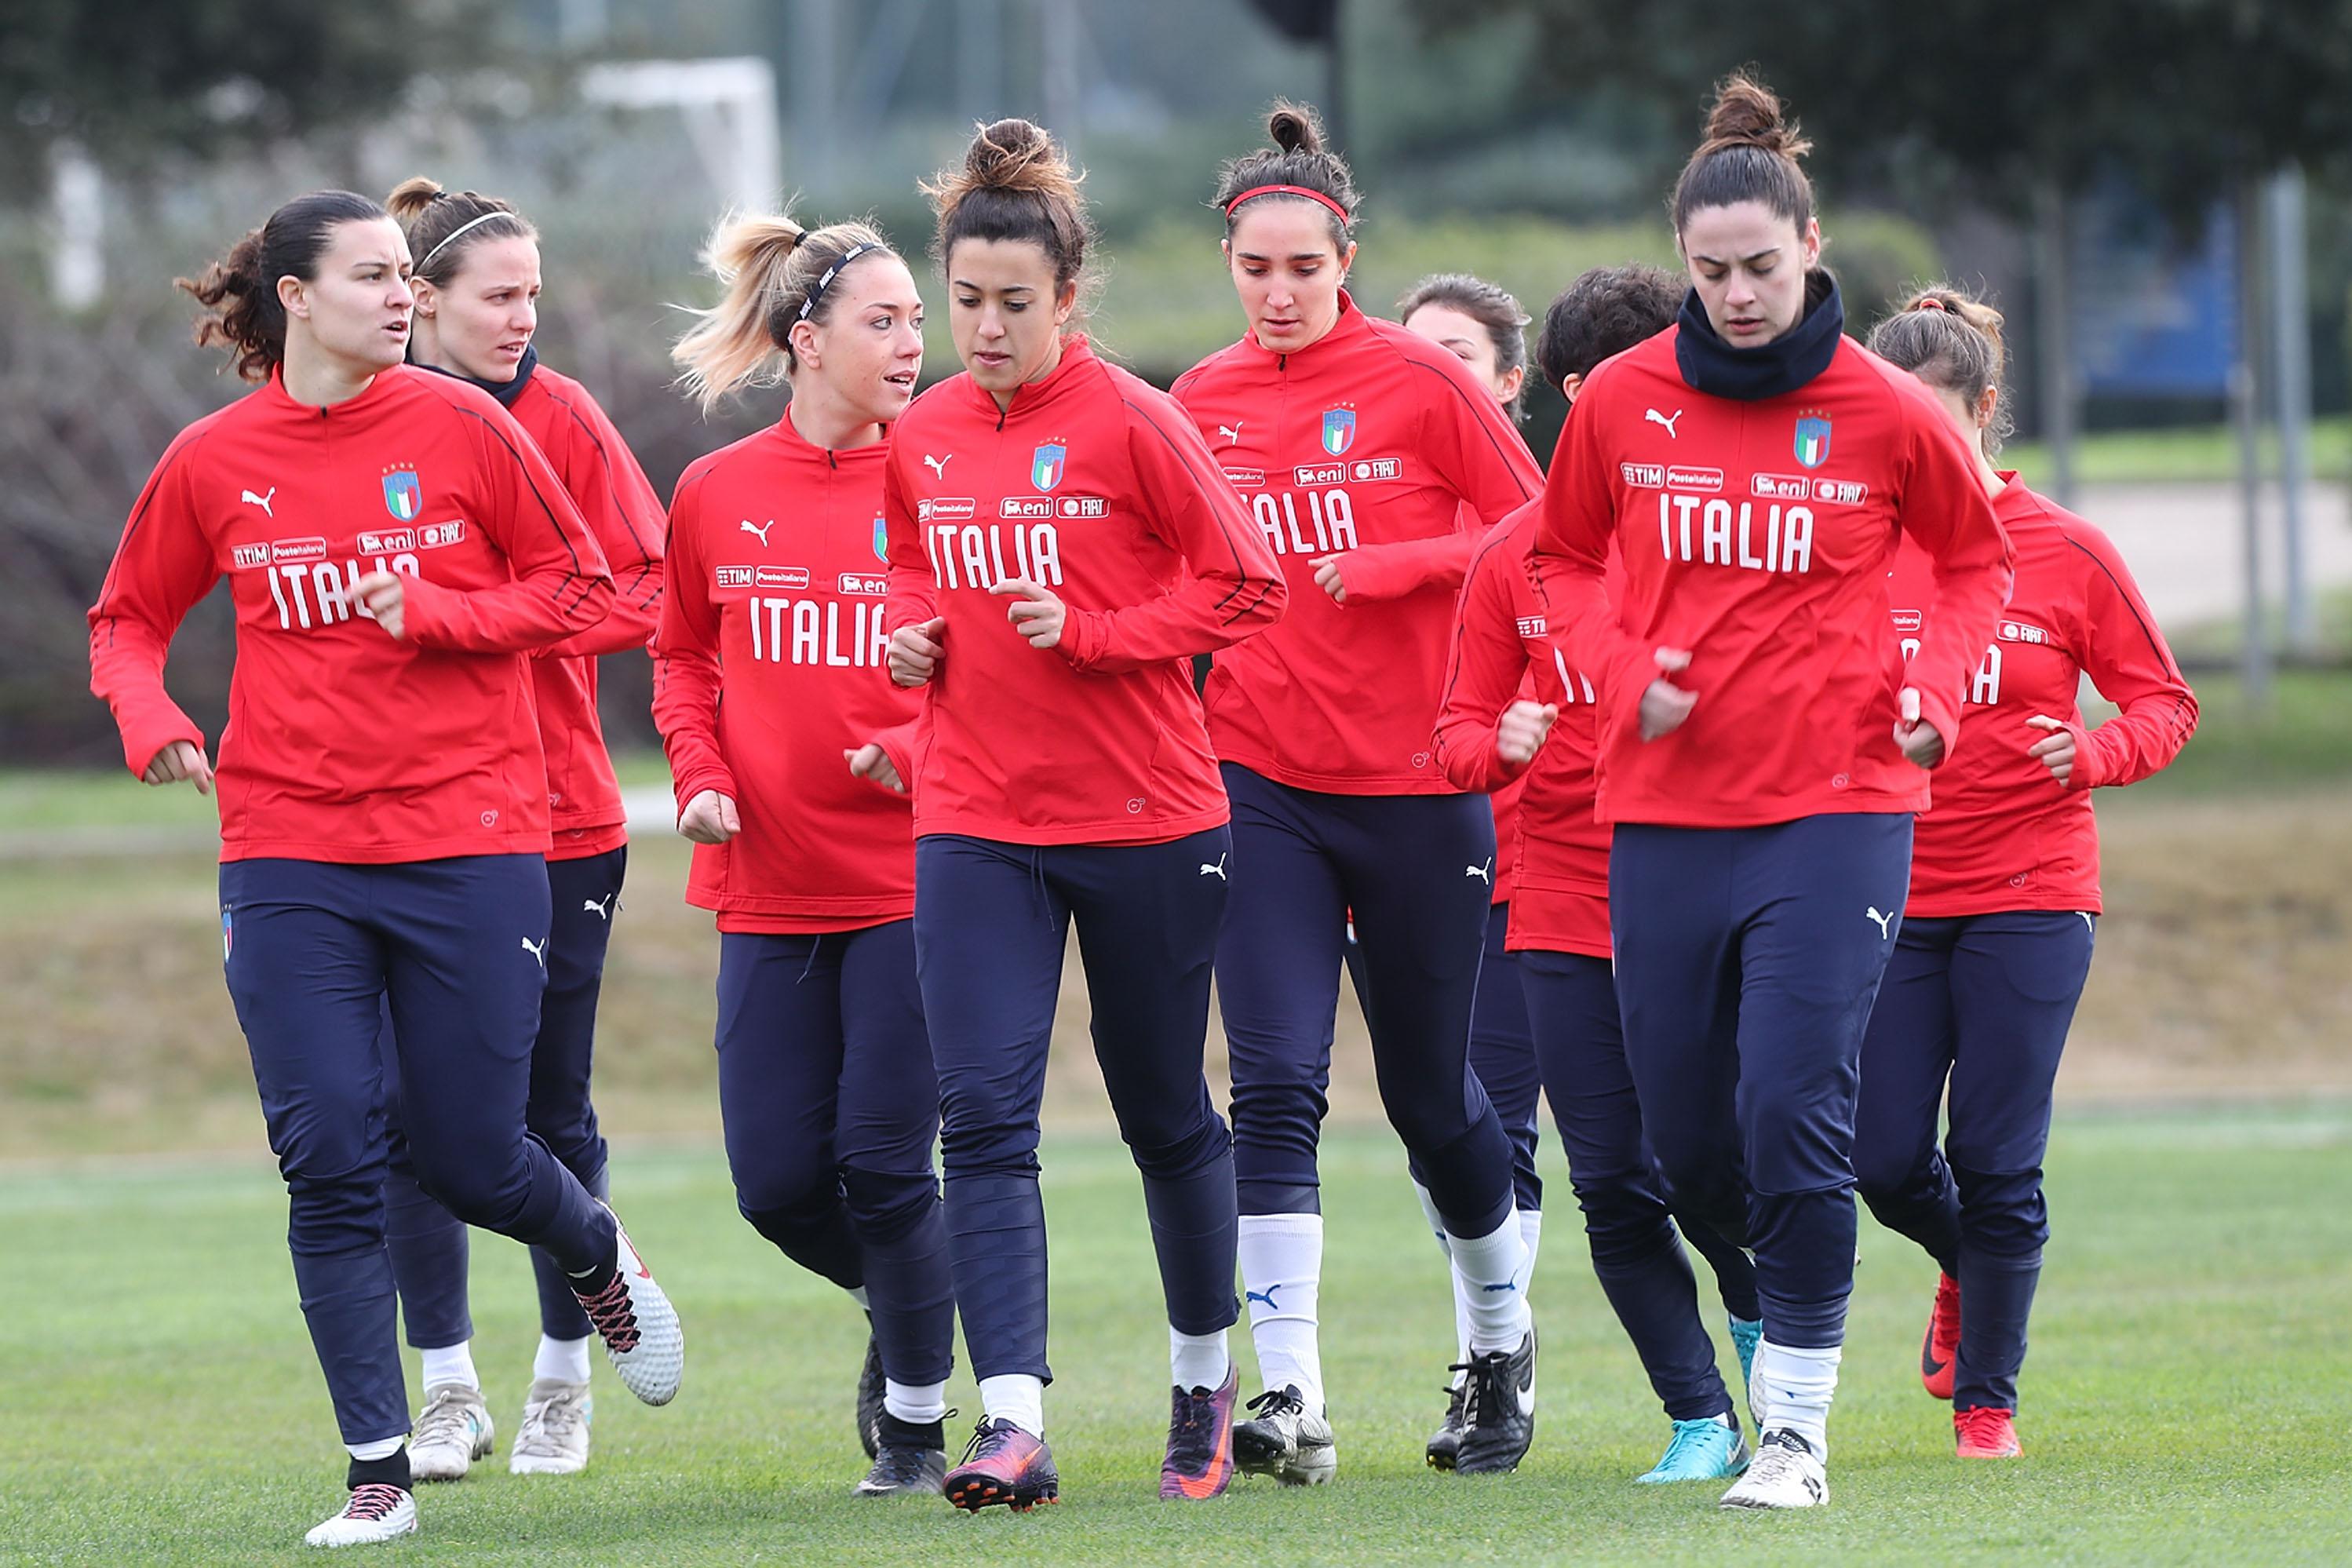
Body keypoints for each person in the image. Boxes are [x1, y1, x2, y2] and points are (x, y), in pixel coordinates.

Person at [86, 190, 682, 1550]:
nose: (402, 295)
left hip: (472, 843)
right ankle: (378, 1469)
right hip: (288, 850)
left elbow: (591, 596)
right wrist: (155, 719)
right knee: (328, 1154)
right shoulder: (213, 458)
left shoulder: (469, 424)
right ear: (293, 296)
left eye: (408, 276)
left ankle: (592, 1251)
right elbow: (127, 619)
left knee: (474, 1153)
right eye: (372, 277)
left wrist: (442, 612)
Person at [1532, 73, 2014, 1511]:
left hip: (1835, 809)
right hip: (1665, 816)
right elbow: (1557, 564)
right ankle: (1768, 1359)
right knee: (1691, 1149)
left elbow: (1975, 558)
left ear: (1808, 249)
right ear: (1683, 264)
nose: (1737, 295)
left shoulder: (1879, 409)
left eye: (1759, 266)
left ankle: (1794, 1432)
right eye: (1710, 270)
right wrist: (1621, 674)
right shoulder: (1620, 403)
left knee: (1795, 1107)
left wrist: (1935, 692)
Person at [882, 117, 1287, 1510]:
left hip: (1148, 820)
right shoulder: (922, 432)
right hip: (975, 814)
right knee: (979, 1113)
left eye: (1014, 304)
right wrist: (908, 640)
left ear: (1068, 299)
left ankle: (1199, 1382)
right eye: (965, 302)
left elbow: (1246, 588)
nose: (984, 329)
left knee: (1163, 1109)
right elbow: (911, 576)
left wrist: (1106, 632)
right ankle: (1012, 1423)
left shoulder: (1133, 418)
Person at [1172, 102, 1547, 1482]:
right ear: (1230, 263)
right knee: (1270, 1082)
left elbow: (1540, 534)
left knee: (1431, 1097)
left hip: (1420, 783)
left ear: (1345, 261)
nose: (1277, 294)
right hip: (1257, 779)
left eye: (1302, 270)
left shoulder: (1421, 383)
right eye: (1254, 270)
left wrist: (1399, 565)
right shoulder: (1198, 400)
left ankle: (1498, 1341)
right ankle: (1291, 1398)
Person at [1437, 264, 1767, 1485]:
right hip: (1558, 902)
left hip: (1704, 884)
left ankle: (1767, 1343)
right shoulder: (1508, 559)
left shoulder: (1716, 535)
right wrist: (1498, 743)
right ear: (1580, 395)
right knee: (1612, 1180)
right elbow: (1453, 734)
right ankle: (1695, 1417)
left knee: (1711, 1164)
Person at [650, 206, 960, 1497]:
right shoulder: (717, 490)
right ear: (804, 340)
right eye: (881, 322)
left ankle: (916, 1417)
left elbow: (1010, 670)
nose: (912, 343)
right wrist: (701, 777)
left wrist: (921, 750)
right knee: (777, 1185)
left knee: (888, 1165)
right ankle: (921, 1309)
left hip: (921, 882)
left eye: (915, 321)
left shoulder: (948, 476)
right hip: (766, 889)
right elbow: (677, 656)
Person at [1857, 287, 2196, 1460]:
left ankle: (1986, 1403)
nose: (1907, 446)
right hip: (1883, 894)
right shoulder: (1850, 551)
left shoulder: (2061, 547)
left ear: (1984, 412)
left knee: (1996, 1156)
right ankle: (1966, 1262)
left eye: (1932, 420)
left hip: (2032, 890)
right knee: (1881, 1156)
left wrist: (2093, 752)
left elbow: (2163, 700)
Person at [375, 175, 668, 1483]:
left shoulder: (560, 415)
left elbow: (647, 586)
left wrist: (488, 612)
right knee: (397, 1109)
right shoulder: (358, 419)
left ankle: (563, 1376)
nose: (521, 318)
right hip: (397, 820)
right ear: (418, 300)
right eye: (496, 297)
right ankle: (447, 1388)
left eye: (531, 295)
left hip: (554, 821)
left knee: (544, 1108)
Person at [1393, 270, 1547, 1465]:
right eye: (1414, 353)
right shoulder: (1366, 488)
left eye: (1455, 355)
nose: (1427, 373)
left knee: (1543, 1137)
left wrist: (1397, 566)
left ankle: (1497, 1374)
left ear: (1506, 382)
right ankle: (1494, 1367)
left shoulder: (1539, 525)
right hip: (1406, 827)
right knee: (1444, 1127)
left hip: (1530, 850)